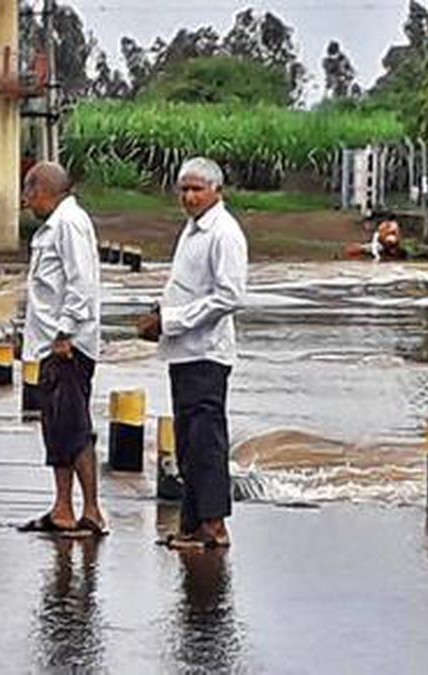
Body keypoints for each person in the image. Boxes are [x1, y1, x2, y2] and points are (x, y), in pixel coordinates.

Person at [137, 157, 247, 551]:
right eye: (183, 189)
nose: (189, 196)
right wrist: (159, 314)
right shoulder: (192, 231)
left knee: (205, 442)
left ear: (217, 191)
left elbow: (230, 296)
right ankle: (192, 524)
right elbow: (185, 285)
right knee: (188, 441)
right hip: (184, 352)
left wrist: (172, 321)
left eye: (197, 188)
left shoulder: (224, 233)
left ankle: (214, 527)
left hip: (206, 353)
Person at [15, 162, 106, 538]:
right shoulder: (54, 226)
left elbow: (80, 283)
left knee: (74, 428)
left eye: (27, 192)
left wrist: (65, 332)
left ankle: (92, 511)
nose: (24, 201)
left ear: (42, 191)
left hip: (67, 345)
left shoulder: (69, 224)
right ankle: (62, 508)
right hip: (50, 344)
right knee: (56, 428)